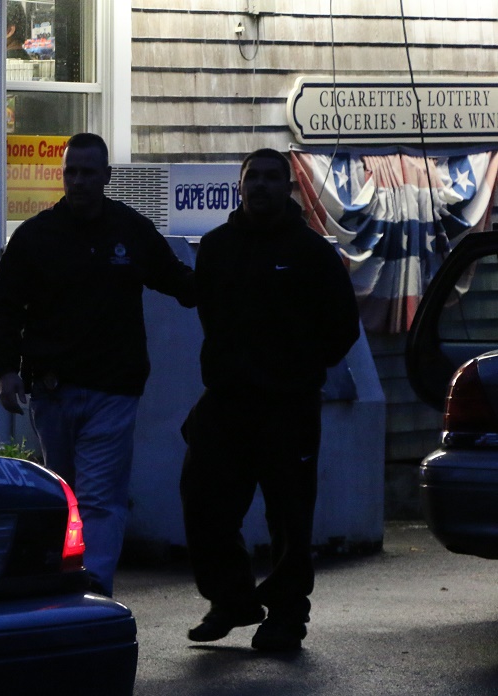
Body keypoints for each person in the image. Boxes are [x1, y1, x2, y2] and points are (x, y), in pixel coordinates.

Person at [0, 132, 195, 596]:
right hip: (52, 390)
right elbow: (4, 306)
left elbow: (180, 282)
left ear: (106, 176)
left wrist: (230, 277)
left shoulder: (130, 231)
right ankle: (68, 579)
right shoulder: (35, 236)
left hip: (112, 389)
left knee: (99, 496)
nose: (78, 181)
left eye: (87, 172)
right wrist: (6, 369)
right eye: (71, 172)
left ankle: (94, 588)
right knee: (66, 492)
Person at [180, 148, 360, 652]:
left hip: (289, 405)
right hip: (226, 401)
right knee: (202, 500)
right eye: (252, 177)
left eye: (270, 178)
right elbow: (208, 312)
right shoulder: (215, 247)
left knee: (289, 517)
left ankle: (286, 616)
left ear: (287, 187)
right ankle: (232, 599)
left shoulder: (311, 252)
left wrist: (299, 368)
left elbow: (343, 325)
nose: (260, 185)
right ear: (239, 186)